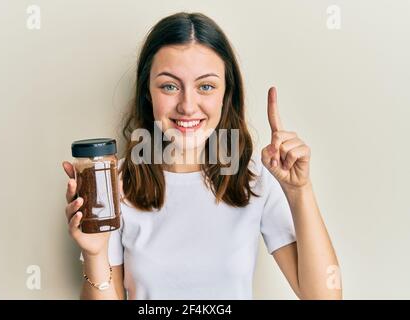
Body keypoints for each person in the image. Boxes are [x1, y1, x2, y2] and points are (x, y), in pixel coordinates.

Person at [62, 12, 342, 300]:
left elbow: (324, 297)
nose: (187, 106)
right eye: (169, 86)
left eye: (205, 86)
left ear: (226, 94)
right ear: (148, 91)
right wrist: (95, 253)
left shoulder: (255, 178)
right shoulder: (116, 184)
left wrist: (299, 191)